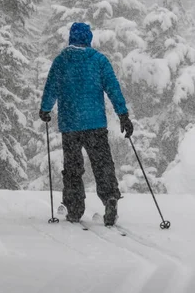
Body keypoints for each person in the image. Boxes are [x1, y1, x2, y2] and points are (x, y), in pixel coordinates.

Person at [39, 22, 134, 226]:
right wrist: (123, 114)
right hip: (95, 124)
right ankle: (109, 198)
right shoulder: (99, 60)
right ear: (88, 39)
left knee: (73, 167)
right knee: (102, 164)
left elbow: (51, 87)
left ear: (71, 39)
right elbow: (113, 88)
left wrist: (45, 109)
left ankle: (73, 208)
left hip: (70, 124)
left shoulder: (62, 61)